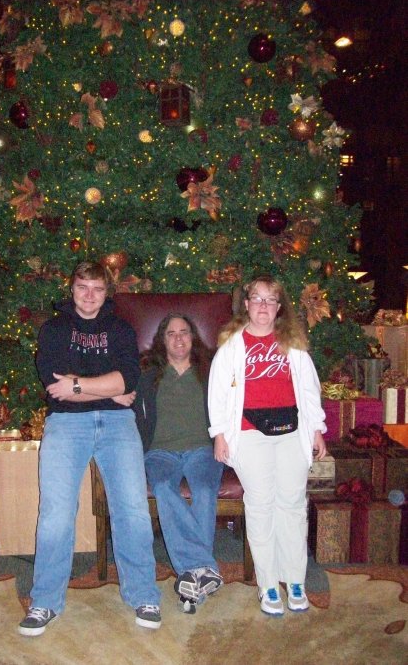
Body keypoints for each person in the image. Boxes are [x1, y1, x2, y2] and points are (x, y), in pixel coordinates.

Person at [18, 261, 161, 636]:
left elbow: (129, 379)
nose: (89, 295)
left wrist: (79, 385)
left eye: (97, 289)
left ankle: (144, 594)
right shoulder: (54, 330)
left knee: (132, 510)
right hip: (66, 424)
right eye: (83, 287)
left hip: (117, 426)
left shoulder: (120, 330)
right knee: (55, 515)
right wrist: (109, 389)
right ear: (72, 288)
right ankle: (44, 601)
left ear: (106, 292)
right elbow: (54, 386)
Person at [208, 275, 327, 616]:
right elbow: (217, 391)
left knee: (292, 504)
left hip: (291, 430)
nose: (262, 306)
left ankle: (296, 580)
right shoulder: (232, 345)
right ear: (246, 305)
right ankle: (269, 584)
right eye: (256, 299)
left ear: (278, 307)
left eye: (270, 300)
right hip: (248, 433)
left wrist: (317, 429)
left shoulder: (292, 343)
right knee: (260, 505)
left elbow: (309, 388)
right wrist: (219, 433)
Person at [134, 313, 224, 614]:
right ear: (162, 339)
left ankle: (191, 576)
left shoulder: (211, 370)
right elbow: (127, 401)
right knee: (162, 486)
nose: (178, 338)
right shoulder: (147, 373)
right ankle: (202, 568)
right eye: (171, 333)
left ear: (193, 336)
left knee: (205, 488)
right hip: (160, 451)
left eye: (184, 331)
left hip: (202, 449)